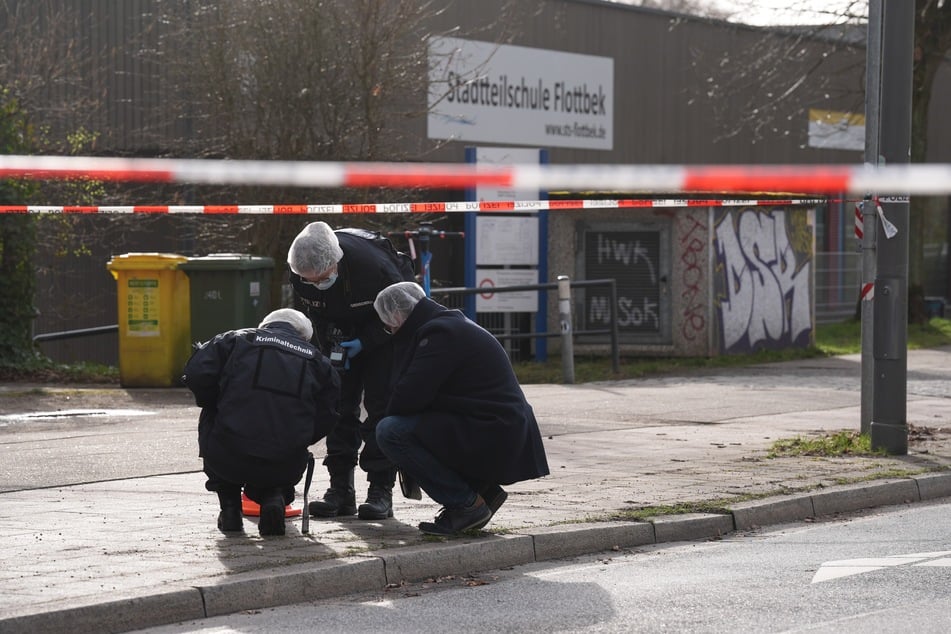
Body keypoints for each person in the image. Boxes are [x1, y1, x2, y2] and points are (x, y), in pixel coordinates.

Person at [372, 281, 550, 535]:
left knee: (391, 431)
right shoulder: (448, 325)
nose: (391, 331)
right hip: (497, 425)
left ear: (398, 315)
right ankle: (482, 492)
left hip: (494, 430)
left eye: (389, 326)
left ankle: (465, 504)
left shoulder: (438, 335)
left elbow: (408, 396)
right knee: (414, 426)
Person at [287, 221, 416, 521]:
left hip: (385, 328)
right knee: (338, 407)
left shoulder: (375, 269)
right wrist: (329, 351)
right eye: (311, 280)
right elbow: (314, 315)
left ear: (335, 263)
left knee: (380, 406)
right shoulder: (301, 272)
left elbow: (402, 314)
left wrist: (366, 341)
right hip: (341, 330)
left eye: (321, 278)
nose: (316, 283)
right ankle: (340, 490)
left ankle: (380, 489)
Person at [181, 308, 340, 536]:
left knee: (211, 413)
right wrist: (301, 438)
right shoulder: (318, 361)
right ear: (303, 335)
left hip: (227, 453)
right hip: (285, 461)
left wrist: (216, 402)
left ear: (265, 325)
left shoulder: (235, 340)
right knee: (281, 444)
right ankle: (274, 496)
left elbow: (195, 373)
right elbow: (330, 413)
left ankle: (230, 509)